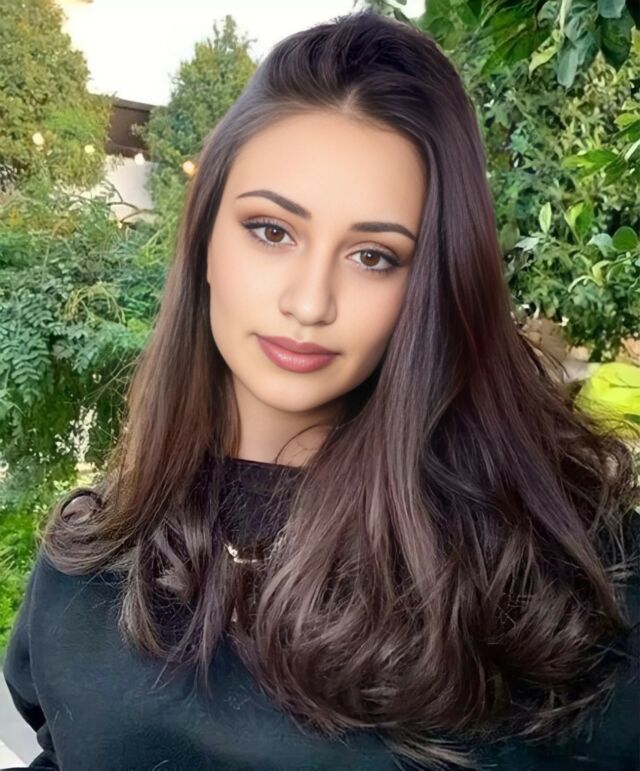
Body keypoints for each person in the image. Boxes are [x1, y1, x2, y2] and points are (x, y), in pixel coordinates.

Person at [3, 9, 639, 771]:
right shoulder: (88, 561)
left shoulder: (556, 575)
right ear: (203, 237)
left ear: (433, 284)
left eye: (374, 255)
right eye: (271, 230)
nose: (309, 302)